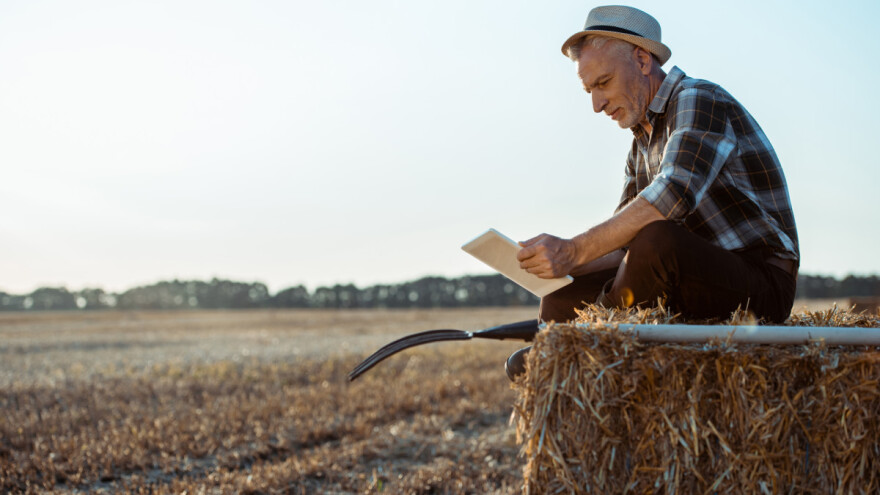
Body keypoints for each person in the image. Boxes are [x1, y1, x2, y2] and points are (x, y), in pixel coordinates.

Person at [506, 5, 799, 380]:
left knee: (657, 239)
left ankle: (589, 351)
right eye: (589, 90)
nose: (596, 105)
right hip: (690, 276)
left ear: (643, 61)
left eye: (603, 82)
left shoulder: (699, 99)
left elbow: (672, 195)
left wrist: (575, 249)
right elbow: (623, 245)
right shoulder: (640, 145)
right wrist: (562, 264)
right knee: (563, 293)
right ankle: (557, 372)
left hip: (760, 284)